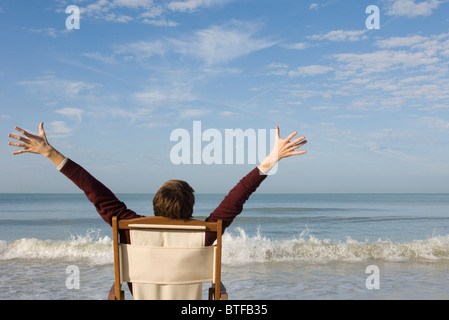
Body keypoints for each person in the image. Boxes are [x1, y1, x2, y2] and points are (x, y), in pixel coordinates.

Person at [8, 122, 307, 246]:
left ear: (154, 205)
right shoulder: (206, 233)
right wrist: (269, 161)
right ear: (190, 208)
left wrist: (50, 153)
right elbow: (236, 198)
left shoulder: (128, 226)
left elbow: (94, 191)